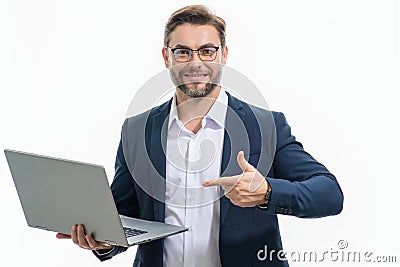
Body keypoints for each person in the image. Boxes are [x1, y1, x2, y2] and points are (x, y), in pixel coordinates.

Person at [56, 5, 343, 267]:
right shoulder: (137, 130)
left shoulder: (265, 126)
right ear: (166, 57)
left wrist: (267, 192)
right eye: (183, 52)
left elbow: (329, 193)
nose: (196, 63)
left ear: (224, 55)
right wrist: (104, 240)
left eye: (207, 51)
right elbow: (126, 216)